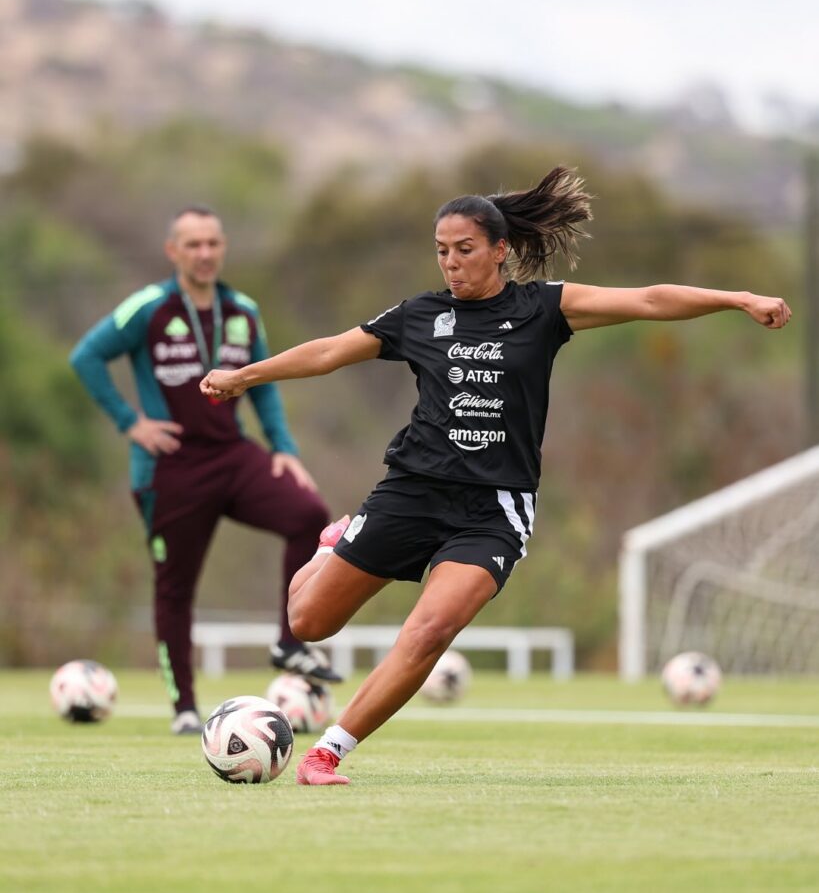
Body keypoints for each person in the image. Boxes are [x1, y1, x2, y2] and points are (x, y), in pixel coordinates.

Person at [200, 167, 792, 782]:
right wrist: (246, 376)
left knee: (431, 629)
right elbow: (327, 351)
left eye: (465, 250)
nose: (451, 264)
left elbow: (646, 299)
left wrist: (737, 299)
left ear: (500, 249)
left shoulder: (544, 308)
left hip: (492, 511)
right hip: (411, 491)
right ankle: (332, 545)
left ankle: (328, 752)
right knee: (309, 623)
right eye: (441, 252)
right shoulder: (419, 316)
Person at [71, 205, 339, 736]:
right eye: (193, 244)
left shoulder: (242, 311)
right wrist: (131, 423)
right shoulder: (149, 308)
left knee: (309, 513)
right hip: (170, 469)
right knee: (176, 588)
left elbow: (262, 381)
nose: (204, 253)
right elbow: (86, 357)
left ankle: (288, 644)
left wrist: (282, 445)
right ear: (173, 250)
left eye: (213, 243)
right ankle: (185, 709)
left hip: (232, 455)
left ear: (223, 247)